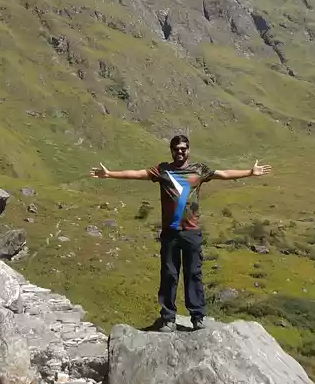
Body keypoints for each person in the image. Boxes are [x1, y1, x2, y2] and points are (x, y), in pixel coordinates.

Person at [91, 134, 271, 331]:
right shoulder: (163, 170)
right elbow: (137, 173)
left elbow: (224, 174)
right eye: (176, 149)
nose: (180, 152)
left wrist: (250, 172)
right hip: (170, 233)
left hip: (191, 232)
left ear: (188, 150)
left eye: (183, 149)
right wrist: (110, 174)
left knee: (194, 274)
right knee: (169, 275)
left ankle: (198, 317)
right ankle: (168, 318)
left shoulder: (199, 170)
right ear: (171, 151)